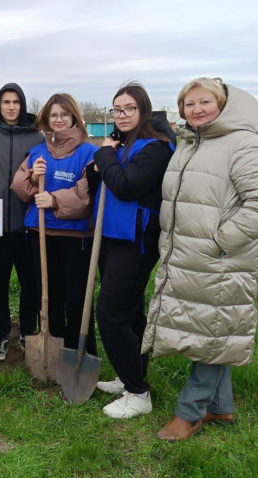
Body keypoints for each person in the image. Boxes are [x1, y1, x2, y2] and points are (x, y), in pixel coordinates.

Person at [141, 79, 258, 441]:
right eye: (189, 104)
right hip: (190, 256)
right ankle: (220, 407)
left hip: (220, 259)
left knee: (212, 330)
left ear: (222, 104)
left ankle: (188, 413)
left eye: (204, 102)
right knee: (211, 329)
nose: (196, 110)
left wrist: (222, 241)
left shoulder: (241, 142)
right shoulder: (192, 143)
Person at [86, 82, 176, 419]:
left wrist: (104, 155)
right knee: (131, 314)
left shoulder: (157, 147)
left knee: (110, 314)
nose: (121, 115)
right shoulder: (124, 144)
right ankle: (130, 377)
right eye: (117, 109)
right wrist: (100, 164)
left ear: (144, 110)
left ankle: (138, 394)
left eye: (129, 109)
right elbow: (98, 179)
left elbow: (125, 186)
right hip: (111, 237)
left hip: (136, 241)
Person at [11, 93, 98, 355]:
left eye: (64, 115)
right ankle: (54, 347)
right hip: (40, 233)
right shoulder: (38, 152)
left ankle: (79, 351)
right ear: (46, 119)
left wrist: (54, 200)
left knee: (76, 296)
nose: (59, 120)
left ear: (74, 117)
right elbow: (20, 187)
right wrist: (32, 176)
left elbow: (87, 195)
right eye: (53, 115)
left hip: (74, 236)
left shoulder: (89, 152)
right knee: (48, 294)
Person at [0, 83, 43, 360]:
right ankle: (0, 335)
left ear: (22, 105)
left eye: (16, 102)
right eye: (6, 102)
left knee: (31, 283)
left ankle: (27, 331)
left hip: (28, 225)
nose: (11, 107)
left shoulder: (37, 138)